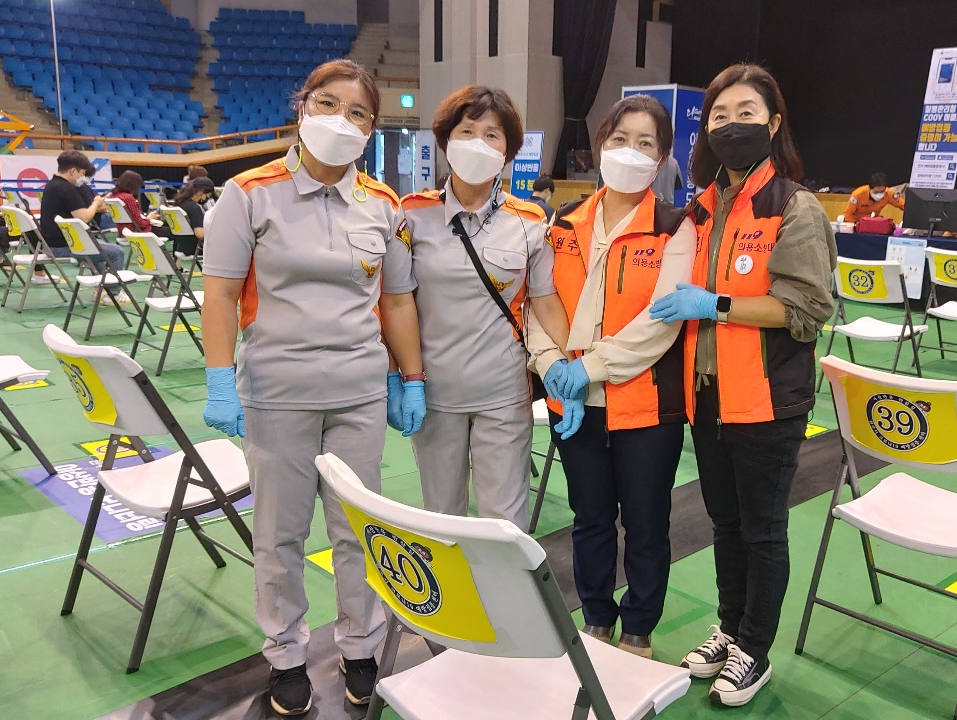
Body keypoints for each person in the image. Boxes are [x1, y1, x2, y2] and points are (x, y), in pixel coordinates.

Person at [201, 59, 424, 717]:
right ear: (302, 108)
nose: (341, 120)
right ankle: (286, 656)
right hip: (277, 393)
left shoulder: (382, 205)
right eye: (328, 104)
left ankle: (361, 646)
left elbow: (398, 301)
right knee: (280, 535)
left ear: (371, 129)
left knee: (358, 531)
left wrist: (409, 378)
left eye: (358, 113)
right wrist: (219, 379)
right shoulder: (249, 192)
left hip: (359, 393)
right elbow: (219, 293)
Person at [648, 63, 836, 707]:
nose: (732, 126)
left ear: (774, 123)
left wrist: (717, 306)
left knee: (762, 529)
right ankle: (730, 629)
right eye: (719, 116)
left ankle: (754, 648)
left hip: (766, 398)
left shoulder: (793, 207)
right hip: (706, 395)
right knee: (725, 523)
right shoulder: (701, 207)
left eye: (746, 113)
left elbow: (807, 309)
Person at [526, 94, 695, 659]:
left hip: (645, 405)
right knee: (590, 518)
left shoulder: (674, 227)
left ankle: (639, 626)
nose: (630, 151)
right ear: (600, 145)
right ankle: (597, 616)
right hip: (572, 403)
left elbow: (660, 324)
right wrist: (552, 366)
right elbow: (539, 302)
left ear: (663, 158)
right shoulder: (564, 222)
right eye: (620, 139)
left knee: (646, 523)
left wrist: (590, 367)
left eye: (645, 143)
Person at [398, 85, 571, 531]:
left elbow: (545, 301)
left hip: (503, 394)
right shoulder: (411, 215)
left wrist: (574, 367)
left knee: (505, 525)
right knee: (442, 521)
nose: (478, 143)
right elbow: (396, 303)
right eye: (467, 131)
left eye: (492, 135)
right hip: (434, 395)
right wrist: (400, 376)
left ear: (508, 150)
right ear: (446, 139)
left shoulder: (530, 221)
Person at [39, 150, 129, 304]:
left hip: (49, 244)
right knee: (116, 252)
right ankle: (113, 293)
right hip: (65, 246)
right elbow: (84, 217)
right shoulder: (67, 189)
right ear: (73, 171)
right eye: (82, 173)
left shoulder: (51, 185)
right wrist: (96, 203)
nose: (83, 177)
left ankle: (101, 290)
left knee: (100, 249)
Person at [109, 170, 160, 235]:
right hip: (138, 231)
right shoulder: (128, 198)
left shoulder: (112, 196)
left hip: (122, 231)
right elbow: (141, 224)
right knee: (170, 231)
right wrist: (150, 218)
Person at [171, 177, 211, 257]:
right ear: (201, 192)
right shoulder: (194, 208)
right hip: (196, 248)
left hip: (181, 246)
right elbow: (200, 234)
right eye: (208, 195)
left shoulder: (181, 203)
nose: (207, 198)